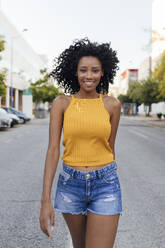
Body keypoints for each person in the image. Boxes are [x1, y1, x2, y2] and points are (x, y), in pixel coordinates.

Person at [39, 38, 122, 248]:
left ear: (103, 72)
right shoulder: (61, 104)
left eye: (95, 70)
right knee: (80, 245)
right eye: (83, 70)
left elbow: (109, 148)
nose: (89, 75)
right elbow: (53, 150)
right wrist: (45, 200)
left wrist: (106, 174)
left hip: (105, 183)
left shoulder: (112, 105)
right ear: (75, 72)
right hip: (71, 184)